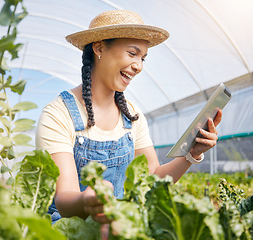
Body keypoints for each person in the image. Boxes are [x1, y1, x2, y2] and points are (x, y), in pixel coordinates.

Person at [36, 8, 222, 232]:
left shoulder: (132, 115)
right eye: (132, 54)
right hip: (72, 230)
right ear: (99, 48)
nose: (139, 66)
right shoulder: (58, 114)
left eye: (143, 58)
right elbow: (65, 200)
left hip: (121, 229)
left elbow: (152, 179)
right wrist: (87, 200)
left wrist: (192, 153)